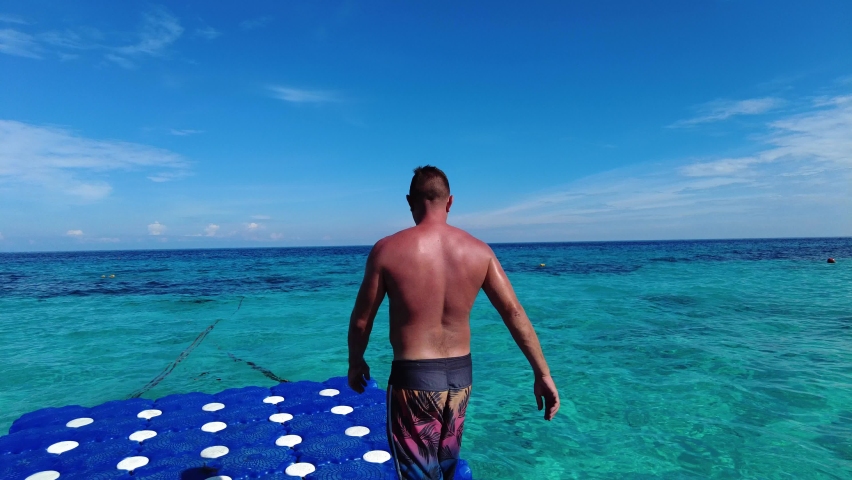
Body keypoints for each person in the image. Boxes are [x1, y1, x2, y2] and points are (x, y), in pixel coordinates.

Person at [347, 165, 559, 480]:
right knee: (447, 471)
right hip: (461, 380)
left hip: (414, 381)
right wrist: (542, 373)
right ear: (450, 202)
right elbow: (514, 313)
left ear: (410, 201)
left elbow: (362, 320)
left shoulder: (387, 250)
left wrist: (356, 362)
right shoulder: (479, 251)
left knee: (418, 475)